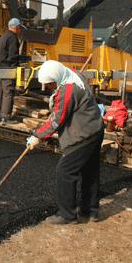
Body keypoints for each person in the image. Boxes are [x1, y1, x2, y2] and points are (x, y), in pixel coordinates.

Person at [26, 60, 104, 224]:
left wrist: (37, 135)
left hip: (84, 134)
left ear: (56, 78)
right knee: (90, 172)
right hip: (95, 127)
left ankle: (67, 215)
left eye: (49, 84)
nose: (48, 88)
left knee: (65, 171)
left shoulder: (68, 90)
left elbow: (57, 121)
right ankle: (90, 212)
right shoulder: (72, 74)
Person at [0, 18, 22, 124]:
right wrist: (16, 70)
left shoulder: (3, 36)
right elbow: (13, 56)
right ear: (16, 27)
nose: (20, 31)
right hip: (7, 68)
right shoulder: (13, 38)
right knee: (8, 92)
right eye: (19, 28)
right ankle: (6, 117)